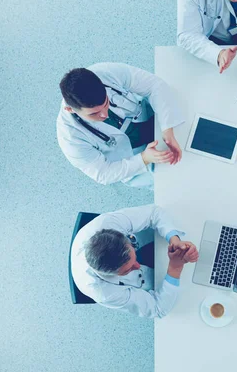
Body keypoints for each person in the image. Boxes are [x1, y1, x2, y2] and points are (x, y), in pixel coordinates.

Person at [57, 62, 184, 188]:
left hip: (151, 120)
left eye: (106, 103)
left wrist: (167, 128)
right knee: (175, 183)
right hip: (134, 158)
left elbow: (154, 86)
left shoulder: (105, 73)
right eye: (94, 113)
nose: (104, 115)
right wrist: (144, 158)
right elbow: (103, 174)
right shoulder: (70, 138)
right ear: (70, 110)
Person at [70, 205, 199, 318]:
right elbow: (158, 309)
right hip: (154, 281)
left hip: (154, 242)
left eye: (132, 253)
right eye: (127, 270)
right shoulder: (105, 293)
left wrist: (174, 239)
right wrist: (175, 268)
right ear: (111, 274)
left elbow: (154, 213)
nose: (137, 266)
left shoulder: (107, 223)